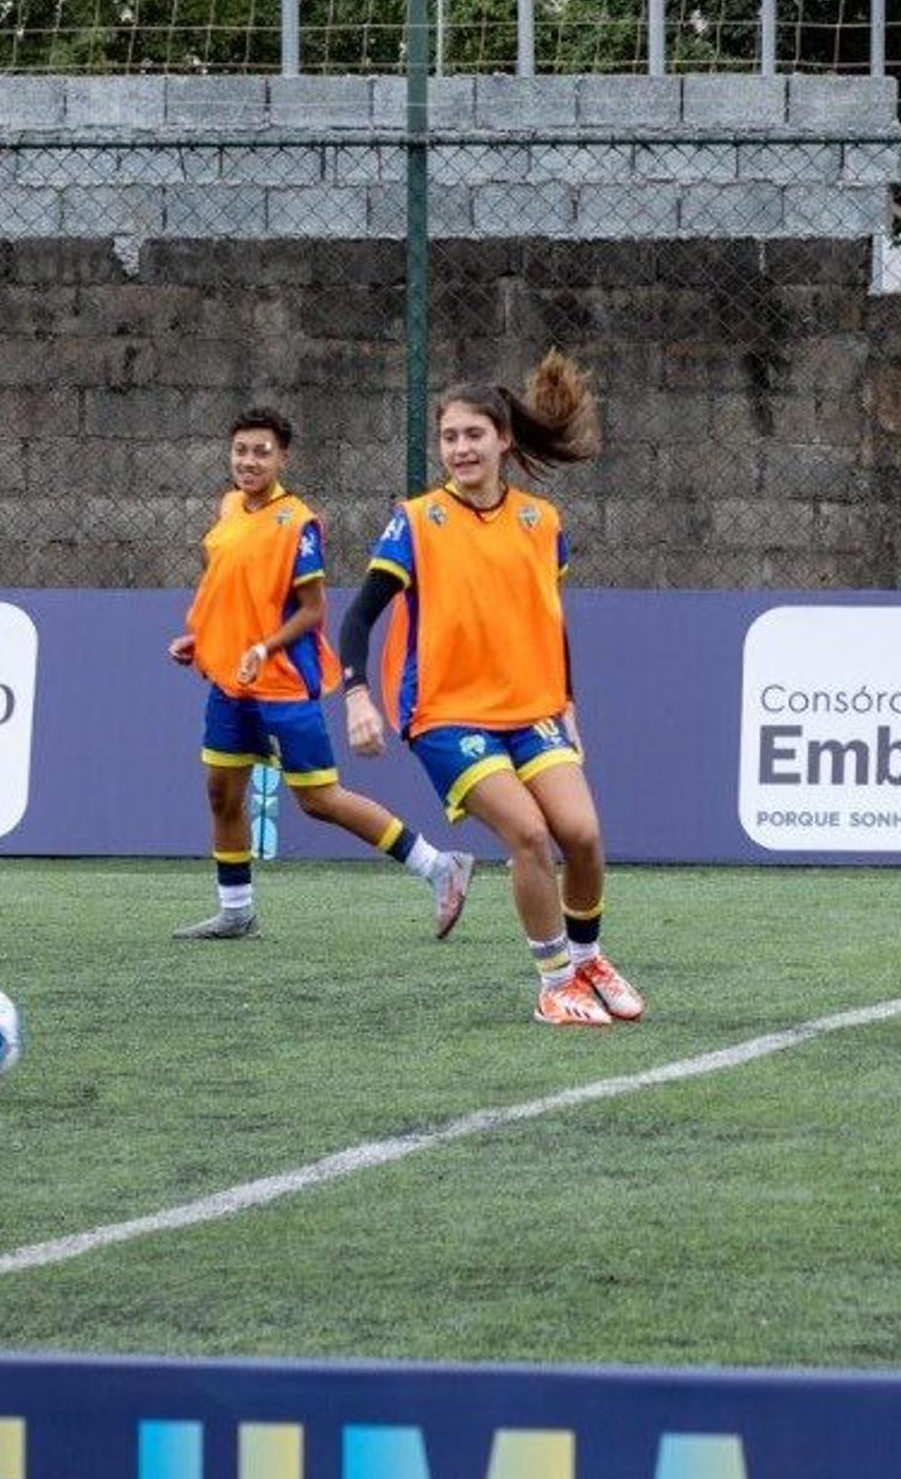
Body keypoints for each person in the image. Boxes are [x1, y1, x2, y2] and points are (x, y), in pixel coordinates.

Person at [333, 354, 635, 1027]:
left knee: (582, 836)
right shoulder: (415, 521)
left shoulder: (542, 522)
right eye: (450, 437)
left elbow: (549, 622)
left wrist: (569, 704)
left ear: (503, 440)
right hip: (445, 714)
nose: (461, 448)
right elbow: (358, 617)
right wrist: (356, 694)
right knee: (529, 836)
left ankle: (587, 959)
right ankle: (553, 982)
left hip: (532, 711)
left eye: (474, 435)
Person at [173, 405, 476, 941]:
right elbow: (229, 591)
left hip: (282, 684)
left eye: (261, 451)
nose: (249, 460)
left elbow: (313, 611)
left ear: (282, 457)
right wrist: (202, 639)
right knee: (221, 792)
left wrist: (265, 648)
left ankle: (437, 865)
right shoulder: (228, 510)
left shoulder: (298, 524)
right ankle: (236, 910)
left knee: (318, 800)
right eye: (241, 450)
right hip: (229, 683)